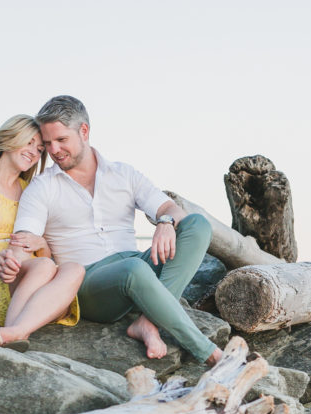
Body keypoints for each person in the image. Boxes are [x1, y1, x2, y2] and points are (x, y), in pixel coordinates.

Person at [12, 96, 222, 366]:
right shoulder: (43, 187)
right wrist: (9, 260)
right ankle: (209, 352)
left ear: (84, 131)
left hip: (137, 267)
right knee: (134, 270)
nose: (53, 150)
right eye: (48, 143)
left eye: (61, 140)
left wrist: (166, 223)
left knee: (197, 225)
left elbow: (169, 207)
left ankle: (148, 321)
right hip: (89, 285)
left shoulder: (123, 174)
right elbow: (24, 238)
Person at [0, 115, 84, 350]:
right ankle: (12, 331)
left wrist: (41, 242)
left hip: (32, 270)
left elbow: (45, 255)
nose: (34, 153)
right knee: (45, 267)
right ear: (9, 138)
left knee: (74, 269)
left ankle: (13, 332)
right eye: (29, 143)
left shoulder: (31, 189)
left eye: (39, 149)